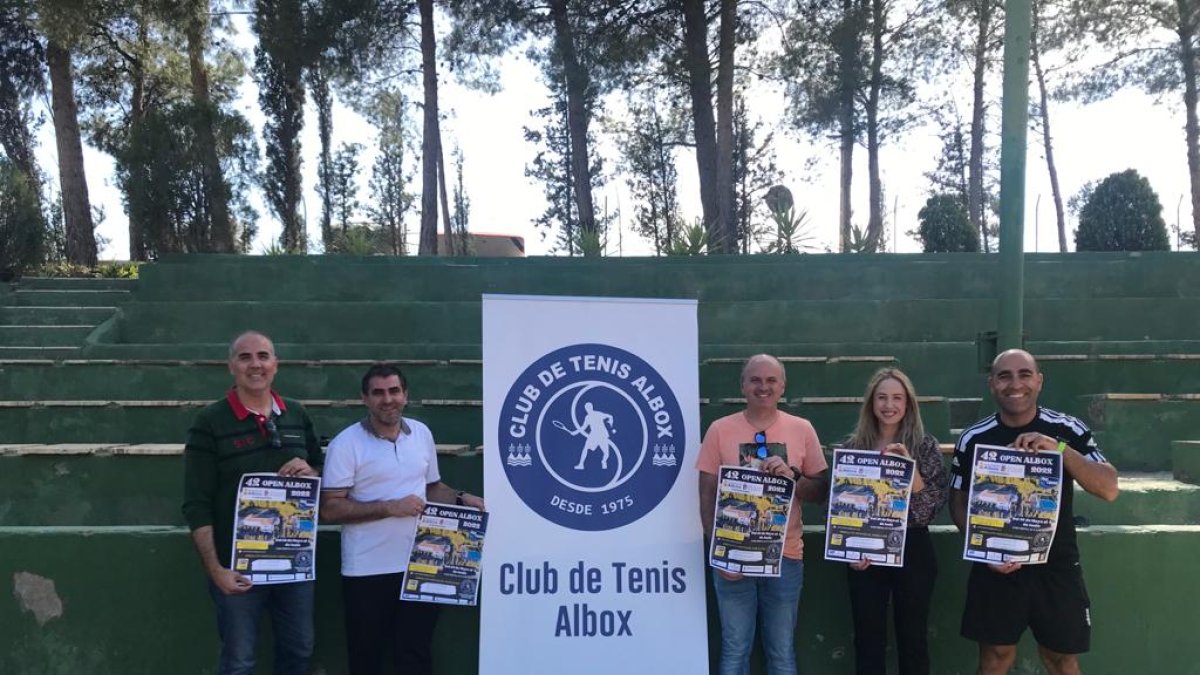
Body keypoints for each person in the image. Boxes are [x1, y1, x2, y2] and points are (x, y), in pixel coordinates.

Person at [950, 349, 1119, 675]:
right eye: (1004, 376)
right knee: (995, 656)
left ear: (1039, 381)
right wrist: (983, 551)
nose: (1015, 384)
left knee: (1061, 659)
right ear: (992, 384)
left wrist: (1057, 449)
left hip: (1055, 566)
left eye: (1024, 374)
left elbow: (1109, 487)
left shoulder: (1067, 429)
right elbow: (957, 500)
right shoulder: (974, 438)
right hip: (997, 565)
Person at [320, 363, 485, 675]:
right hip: (367, 570)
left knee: (416, 657)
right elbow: (330, 508)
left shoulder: (421, 434)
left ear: (405, 395)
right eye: (378, 393)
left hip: (422, 564)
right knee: (367, 659)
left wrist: (462, 498)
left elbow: (432, 488)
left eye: (394, 391)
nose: (387, 399)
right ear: (365, 399)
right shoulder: (346, 443)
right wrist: (389, 507)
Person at [182, 331, 322, 675]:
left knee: (300, 650)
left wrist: (311, 472)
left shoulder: (297, 414)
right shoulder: (210, 421)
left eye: (263, 356)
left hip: (294, 564)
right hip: (237, 568)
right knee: (239, 661)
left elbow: (320, 473)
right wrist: (216, 571)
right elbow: (196, 503)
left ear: (275, 365)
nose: (255, 364)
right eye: (245, 357)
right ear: (231, 366)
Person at [697, 354, 830, 675]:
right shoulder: (719, 429)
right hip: (733, 557)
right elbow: (706, 494)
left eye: (771, 380)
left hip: (786, 556)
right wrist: (721, 553)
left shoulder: (802, 429)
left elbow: (820, 492)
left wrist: (793, 477)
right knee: (734, 650)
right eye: (755, 380)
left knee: (782, 653)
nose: (763, 387)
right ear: (743, 386)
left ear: (782, 386)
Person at [842, 368, 948, 675]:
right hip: (865, 551)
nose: (889, 405)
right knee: (867, 640)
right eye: (882, 397)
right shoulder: (853, 448)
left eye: (897, 398)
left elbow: (930, 507)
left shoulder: (925, 445)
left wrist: (908, 468)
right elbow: (840, 508)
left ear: (908, 404)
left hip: (913, 548)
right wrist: (851, 552)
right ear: (871, 403)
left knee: (913, 639)